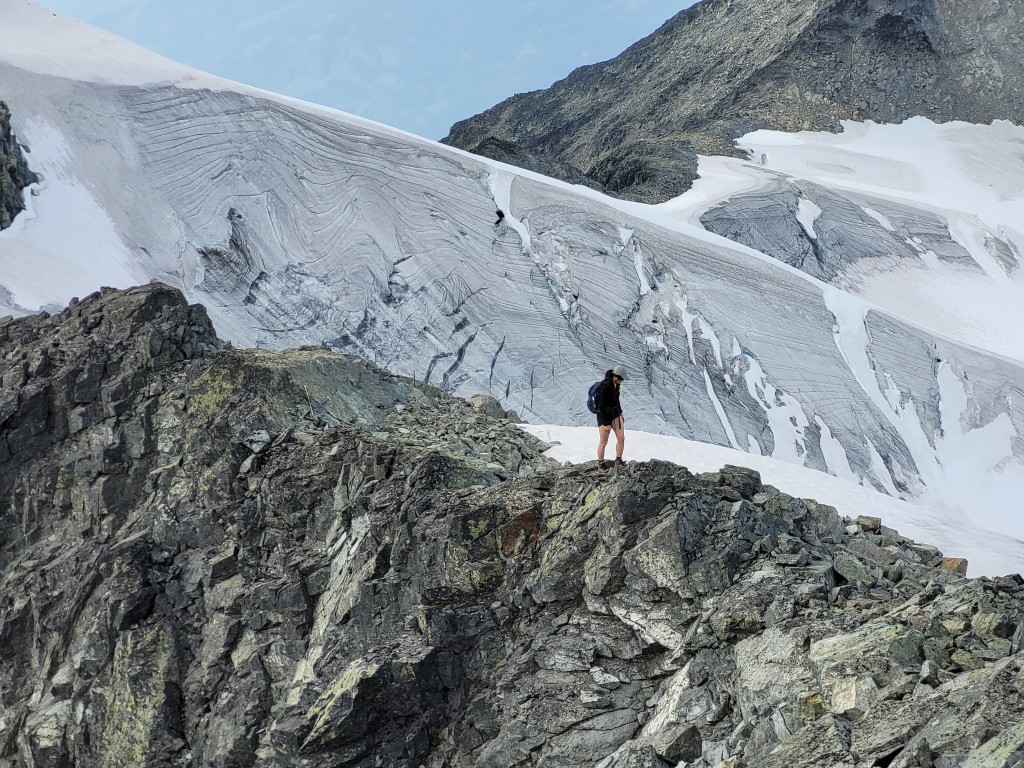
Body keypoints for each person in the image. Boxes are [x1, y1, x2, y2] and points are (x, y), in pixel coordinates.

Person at [595, 366, 627, 470]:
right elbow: (601, 407)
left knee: (621, 437)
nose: (622, 381)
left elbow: (616, 401)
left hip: (615, 414)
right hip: (605, 417)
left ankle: (618, 460)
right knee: (603, 442)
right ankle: (600, 464)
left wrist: (620, 413)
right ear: (615, 376)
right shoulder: (604, 387)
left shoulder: (616, 385)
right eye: (621, 379)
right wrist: (605, 423)